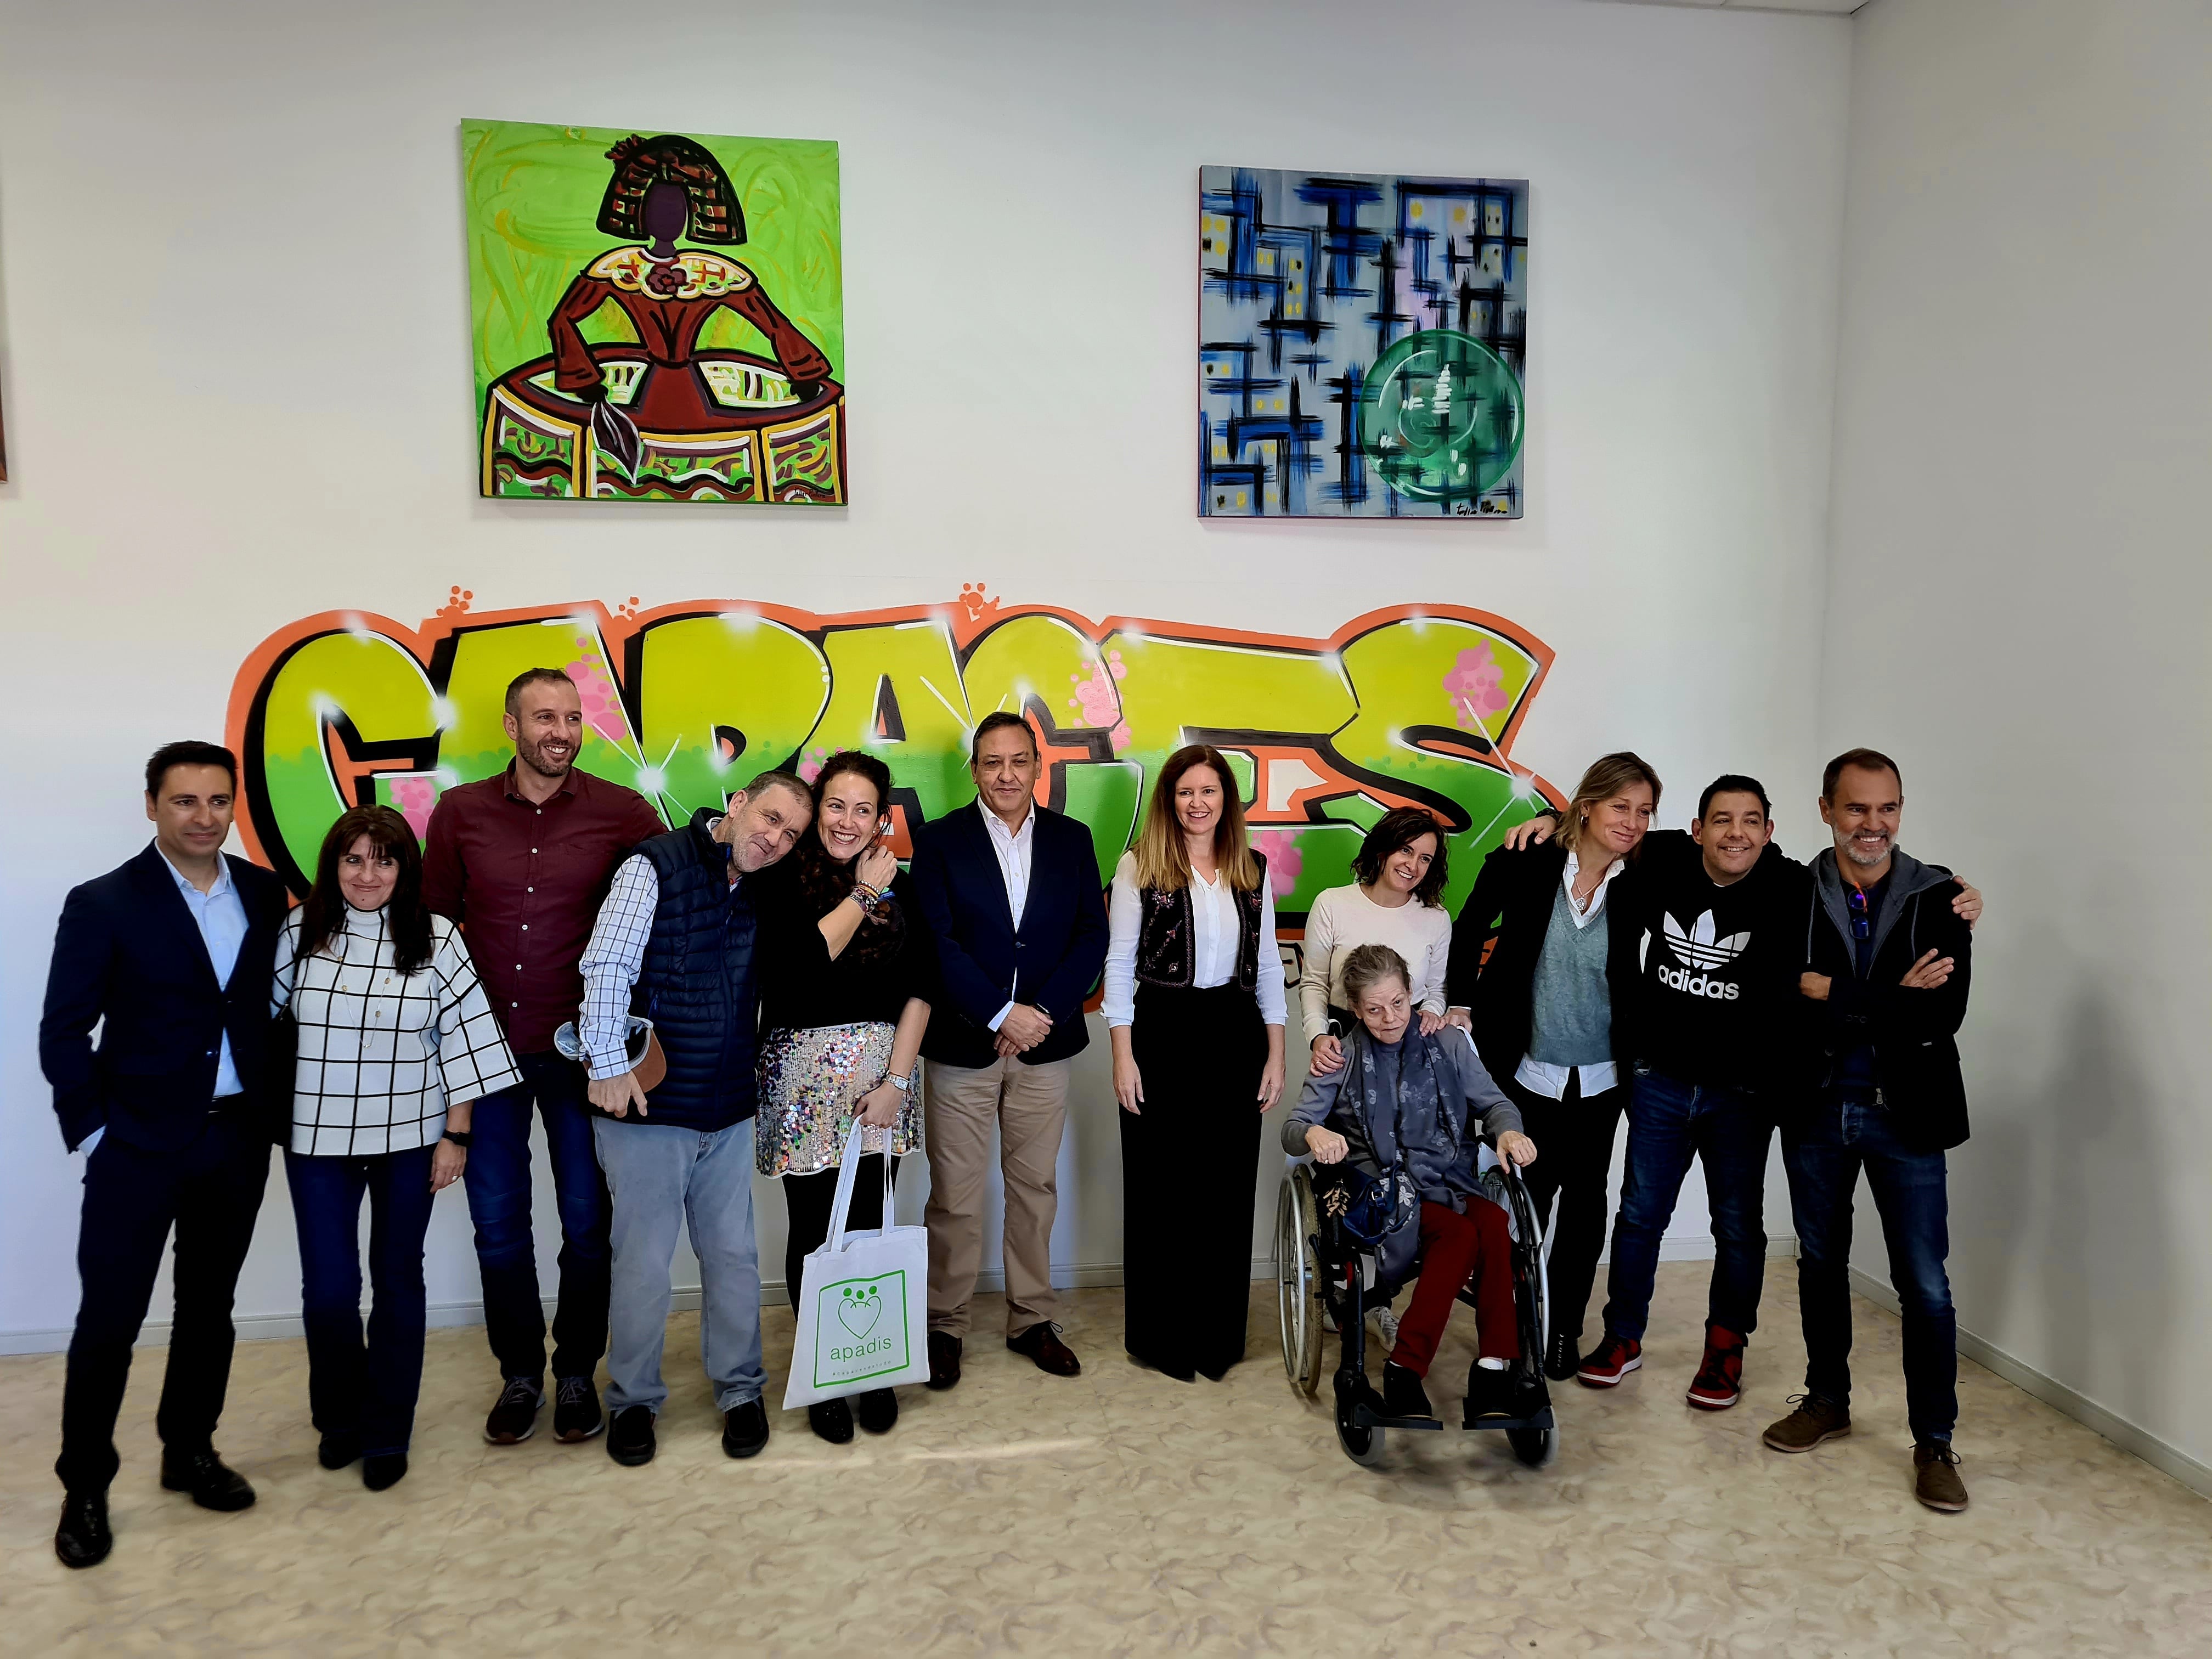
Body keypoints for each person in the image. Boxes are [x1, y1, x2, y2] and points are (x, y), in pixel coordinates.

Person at [1495, 777, 1980, 1408]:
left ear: (1771, 832)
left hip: (1745, 1094)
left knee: (1738, 1228)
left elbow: (1879, 869)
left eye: (1752, 821)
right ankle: (1622, 1337)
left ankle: (1725, 1348)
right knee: (1640, 1217)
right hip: (1659, 1081)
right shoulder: (1661, 860)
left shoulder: (1790, 886)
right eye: (1721, 820)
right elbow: (1611, 827)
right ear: (1696, 830)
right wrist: (1552, 818)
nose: (1736, 834)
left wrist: (1953, 887)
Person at [39, 741, 290, 1570]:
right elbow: (63, 1030)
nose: (204, 818)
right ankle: (86, 1487)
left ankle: (189, 1451)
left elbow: (269, 1013)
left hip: (234, 1137)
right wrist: (97, 1129)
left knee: (207, 1309)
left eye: (218, 802)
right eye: (185, 802)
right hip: (136, 1145)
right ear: (152, 806)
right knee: (108, 1323)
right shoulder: (104, 903)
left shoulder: (261, 892)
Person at [422, 666, 665, 1448]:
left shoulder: (622, 812)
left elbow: (666, 911)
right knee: (497, 1226)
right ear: (510, 725)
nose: (560, 731)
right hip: (486, 1056)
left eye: (571, 718)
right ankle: (521, 1372)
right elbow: (433, 936)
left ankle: (574, 1375)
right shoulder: (458, 814)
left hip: (579, 1055)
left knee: (588, 1224)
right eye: (543, 718)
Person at [275, 806, 521, 1492]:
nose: (368, 874)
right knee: (328, 1291)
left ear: (404, 868)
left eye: (383, 860)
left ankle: (386, 1431)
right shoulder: (298, 933)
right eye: (353, 859)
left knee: (396, 1281)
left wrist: (456, 1135)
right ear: (333, 865)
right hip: (315, 1139)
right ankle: (339, 1422)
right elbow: (261, 1027)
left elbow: (467, 1042)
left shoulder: (436, 937)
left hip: (412, 1139)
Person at [577, 770, 813, 1468]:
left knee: (735, 1259)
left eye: (789, 834)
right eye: (769, 819)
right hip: (649, 1109)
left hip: (728, 1106)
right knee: (645, 1265)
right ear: (737, 804)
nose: (774, 839)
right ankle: (633, 1402)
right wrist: (606, 1068)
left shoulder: (769, 887)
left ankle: (741, 1392)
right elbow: (606, 967)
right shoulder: (655, 865)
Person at [1763, 748, 1976, 1514]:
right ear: (1827, 810)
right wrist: (1888, 995)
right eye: (1857, 808)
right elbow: (1781, 998)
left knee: (1924, 1283)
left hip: (1907, 1116)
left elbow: (1942, 1014)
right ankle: (1828, 1400)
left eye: (1887, 809)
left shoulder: (1942, 897)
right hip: (1817, 1109)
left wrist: (1838, 991)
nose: (1873, 825)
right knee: (1820, 1264)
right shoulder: (1790, 893)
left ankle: (1936, 1440)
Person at [907, 712, 1110, 1389]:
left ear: (1037, 767)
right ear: (974, 770)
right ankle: (944, 1326)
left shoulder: (1073, 840)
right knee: (956, 1197)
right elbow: (937, 944)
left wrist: (1041, 1014)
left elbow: (1091, 936)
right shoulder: (938, 843)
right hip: (963, 1044)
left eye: (1018, 761)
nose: (1005, 774)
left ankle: (1030, 1319)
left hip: (1044, 1049)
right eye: (991, 762)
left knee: (1035, 1189)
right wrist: (999, 1012)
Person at [1443, 753, 1660, 1382]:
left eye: (1645, 810)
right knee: (1524, 1205)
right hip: (1528, 1070)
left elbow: (1732, 847)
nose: (1634, 821)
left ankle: (1564, 1329)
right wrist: (1461, 1002)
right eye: (1620, 806)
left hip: (1602, 1079)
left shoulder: (1646, 875)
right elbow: (1469, 927)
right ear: (1586, 806)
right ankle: (1513, 1327)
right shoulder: (1526, 859)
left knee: (1587, 1207)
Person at [752, 752, 935, 1443]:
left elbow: (924, 987)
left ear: (882, 818)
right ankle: (828, 1370)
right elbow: (796, 972)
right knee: (813, 1234)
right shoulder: (780, 880)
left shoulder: (904, 885)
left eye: (865, 810)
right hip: (800, 1084)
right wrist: (860, 898)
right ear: (815, 808)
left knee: (871, 1224)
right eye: (836, 806)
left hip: (880, 1087)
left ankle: (874, 1365)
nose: (849, 822)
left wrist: (896, 1082)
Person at [1281, 945, 1540, 1423]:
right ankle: (1404, 1368)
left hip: (1448, 1178)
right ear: (1355, 1009)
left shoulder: (1448, 1043)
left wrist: (1507, 1129)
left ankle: (1493, 1368)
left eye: (1398, 1003)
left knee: (1498, 1221)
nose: (1389, 1018)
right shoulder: (1340, 1056)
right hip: (1380, 1191)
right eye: (1374, 1009)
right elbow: (1293, 1129)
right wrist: (1316, 1132)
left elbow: (1495, 1103)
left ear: (1412, 995)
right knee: (1461, 1234)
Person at [1104, 744, 1288, 1381]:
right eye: (1186, 791)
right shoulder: (1140, 867)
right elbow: (1120, 968)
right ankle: (1163, 1339)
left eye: (1210, 791)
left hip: (1234, 1035)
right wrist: (1123, 1057)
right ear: (1169, 799)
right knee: (1163, 1190)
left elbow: (1267, 969)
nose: (1198, 803)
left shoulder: (1252, 869)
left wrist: (1275, 1053)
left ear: (1226, 801)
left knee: (1225, 1190)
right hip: (1161, 1034)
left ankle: (1218, 1339)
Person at [1301, 805, 1455, 1070]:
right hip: (1342, 1041)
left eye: (1425, 858)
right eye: (1406, 850)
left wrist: (1431, 1011)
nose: (1413, 865)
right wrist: (1318, 1035)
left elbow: (1436, 989)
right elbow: (1315, 982)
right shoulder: (1331, 903)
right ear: (1383, 849)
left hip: (1410, 1047)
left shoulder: (1437, 918)